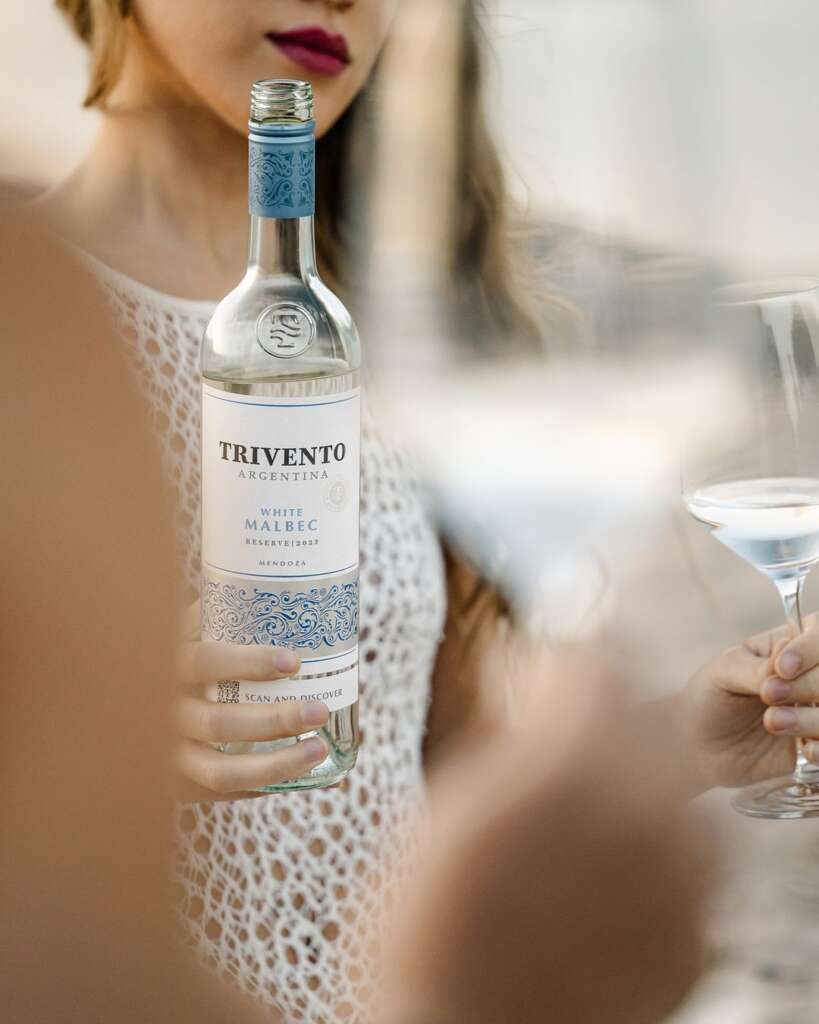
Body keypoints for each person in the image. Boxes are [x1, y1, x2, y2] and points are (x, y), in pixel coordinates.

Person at [39, 0, 819, 1020]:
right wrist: (95, 758)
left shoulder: (410, 338)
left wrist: (684, 742)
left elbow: (436, 770)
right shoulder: (32, 323)